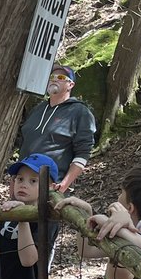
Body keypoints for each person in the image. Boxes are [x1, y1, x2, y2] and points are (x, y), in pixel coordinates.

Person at [16, 65, 96, 193]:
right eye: (51, 77)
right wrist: (14, 182)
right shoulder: (38, 109)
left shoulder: (80, 112)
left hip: (51, 186)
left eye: (60, 77)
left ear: (70, 84)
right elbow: (23, 145)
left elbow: (83, 153)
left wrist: (64, 185)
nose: (54, 80)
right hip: (23, 185)